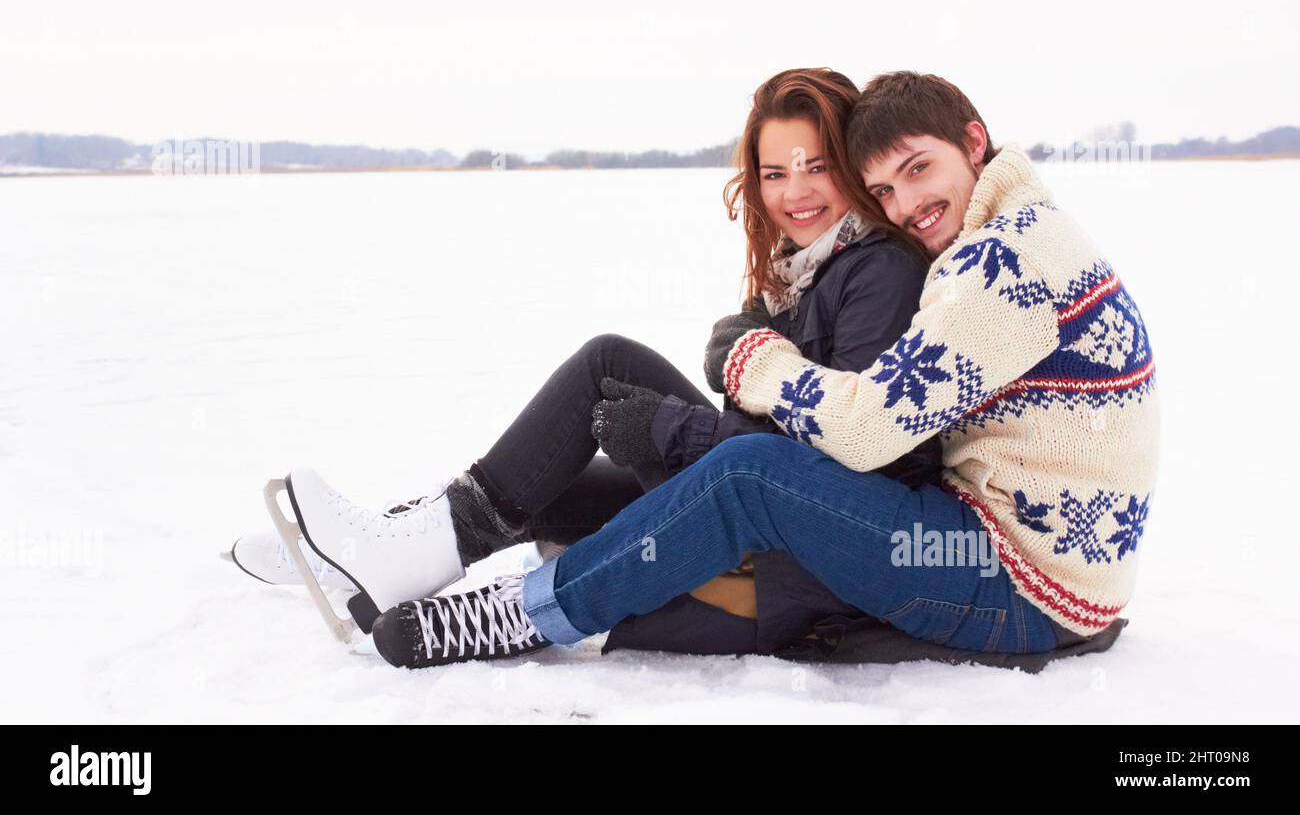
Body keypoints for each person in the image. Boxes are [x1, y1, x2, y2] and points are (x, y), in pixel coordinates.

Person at [316, 70, 1159, 669]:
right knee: (640, 392)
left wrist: (756, 360)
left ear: (973, 143)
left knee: (750, 474)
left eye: (918, 171)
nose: (906, 205)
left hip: (1010, 576)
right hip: (976, 540)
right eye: (887, 188)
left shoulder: (995, 266)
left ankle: (525, 615)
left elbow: (866, 434)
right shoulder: (1005, 236)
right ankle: (418, 538)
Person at [235, 68, 939, 656]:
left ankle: (403, 551)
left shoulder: (878, 272)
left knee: (608, 363)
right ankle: (387, 549)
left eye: (817, 166)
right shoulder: (806, 267)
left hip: (797, 536)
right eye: (775, 172)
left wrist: (674, 430)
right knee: (547, 480)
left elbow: (839, 463)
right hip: (752, 496)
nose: (796, 192)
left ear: (848, 163)